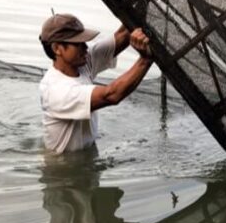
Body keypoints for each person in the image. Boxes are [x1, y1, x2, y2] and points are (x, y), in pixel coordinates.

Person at [38, 13, 153, 154]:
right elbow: (111, 95)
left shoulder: (81, 63)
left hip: (85, 156)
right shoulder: (57, 91)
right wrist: (145, 60)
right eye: (78, 43)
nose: (85, 47)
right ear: (57, 49)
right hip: (62, 167)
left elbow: (123, 34)